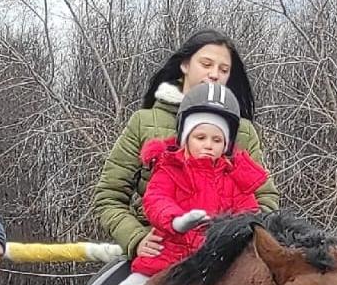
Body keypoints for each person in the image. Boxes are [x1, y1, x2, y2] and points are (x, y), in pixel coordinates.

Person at [46, 82, 268, 285]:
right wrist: (176, 220)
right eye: (201, 137)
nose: (208, 145)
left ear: (228, 143)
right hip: (165, 257)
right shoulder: (169, 167)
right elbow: (156, 200)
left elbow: (250, 211)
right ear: (185, 137)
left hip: (215, 266)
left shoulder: (236, 177)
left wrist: (239, 231)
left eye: (217, 139)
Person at [94, 27, 279, 263]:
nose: (214, 74)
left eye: (224, 70)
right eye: (206, 64)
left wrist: (237, 240)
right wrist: (137, 238)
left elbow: (265, 199)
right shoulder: (144, 122)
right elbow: (109, 195)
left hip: (228, 258)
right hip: (160, 251)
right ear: (185, 65)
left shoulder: (243, 131)